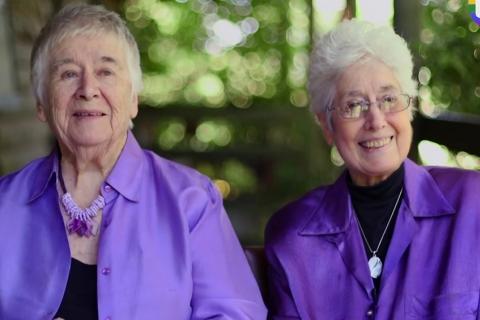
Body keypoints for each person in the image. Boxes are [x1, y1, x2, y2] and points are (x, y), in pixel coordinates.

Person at [0, 4, 267, 320]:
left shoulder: (191, 202)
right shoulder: (4, 204)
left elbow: (235, 314)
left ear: (133, 100)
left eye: (106, 72)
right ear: (42, 104)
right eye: (68, 73)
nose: (88, 90)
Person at [265, 19, 480, 319]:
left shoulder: (473, 202)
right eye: (354, 105)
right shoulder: (293, 237)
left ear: (410, 109)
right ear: (327, 126)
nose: (376, 120)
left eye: (389, 99)